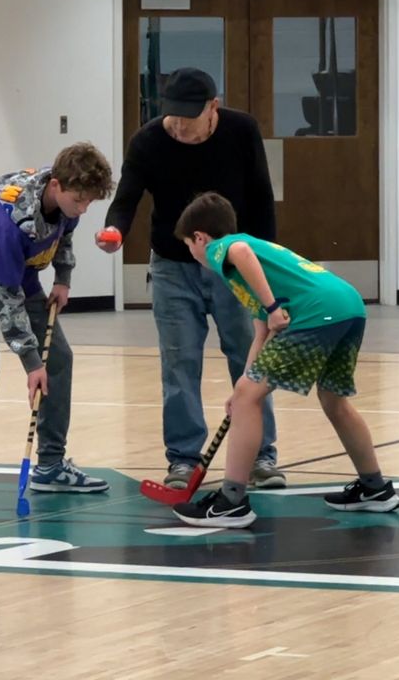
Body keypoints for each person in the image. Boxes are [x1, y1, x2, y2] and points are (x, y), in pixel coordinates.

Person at [97, 67, 285, 490]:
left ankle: (261, 456)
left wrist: (266, 265)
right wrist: (114, 230)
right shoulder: (148, 140)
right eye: (174, 115)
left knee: (249, 359)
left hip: (234, 266)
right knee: (179, 362)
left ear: (213, 107)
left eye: (190, 116)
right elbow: (127, 197)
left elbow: (261, 196)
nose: (180, 125)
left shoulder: (241, 131)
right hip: (172, 266)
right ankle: (183, 459)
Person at [168, 192, 399, 528]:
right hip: (348, 306)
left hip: (319, 312)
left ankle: (230, 502)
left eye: (189, 245)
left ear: (200, 237)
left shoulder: (225, 247)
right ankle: (375, 488)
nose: (191, 253)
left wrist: (274, 308)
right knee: (331, 400)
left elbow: (241, 253)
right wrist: (241, 387)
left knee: (250, 396)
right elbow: (262, 332)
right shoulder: (255, 268)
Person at [0, 142, 115, 503]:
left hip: (20, 271)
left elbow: (64, 233)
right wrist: (32, 363)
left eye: (88, 202)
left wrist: (63, 278)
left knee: (60, 358)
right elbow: (7, 300)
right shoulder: (12, 219)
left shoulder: (68, 198)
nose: (83, 209)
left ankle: (50, 465)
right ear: (57, 186)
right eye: (79, 200)